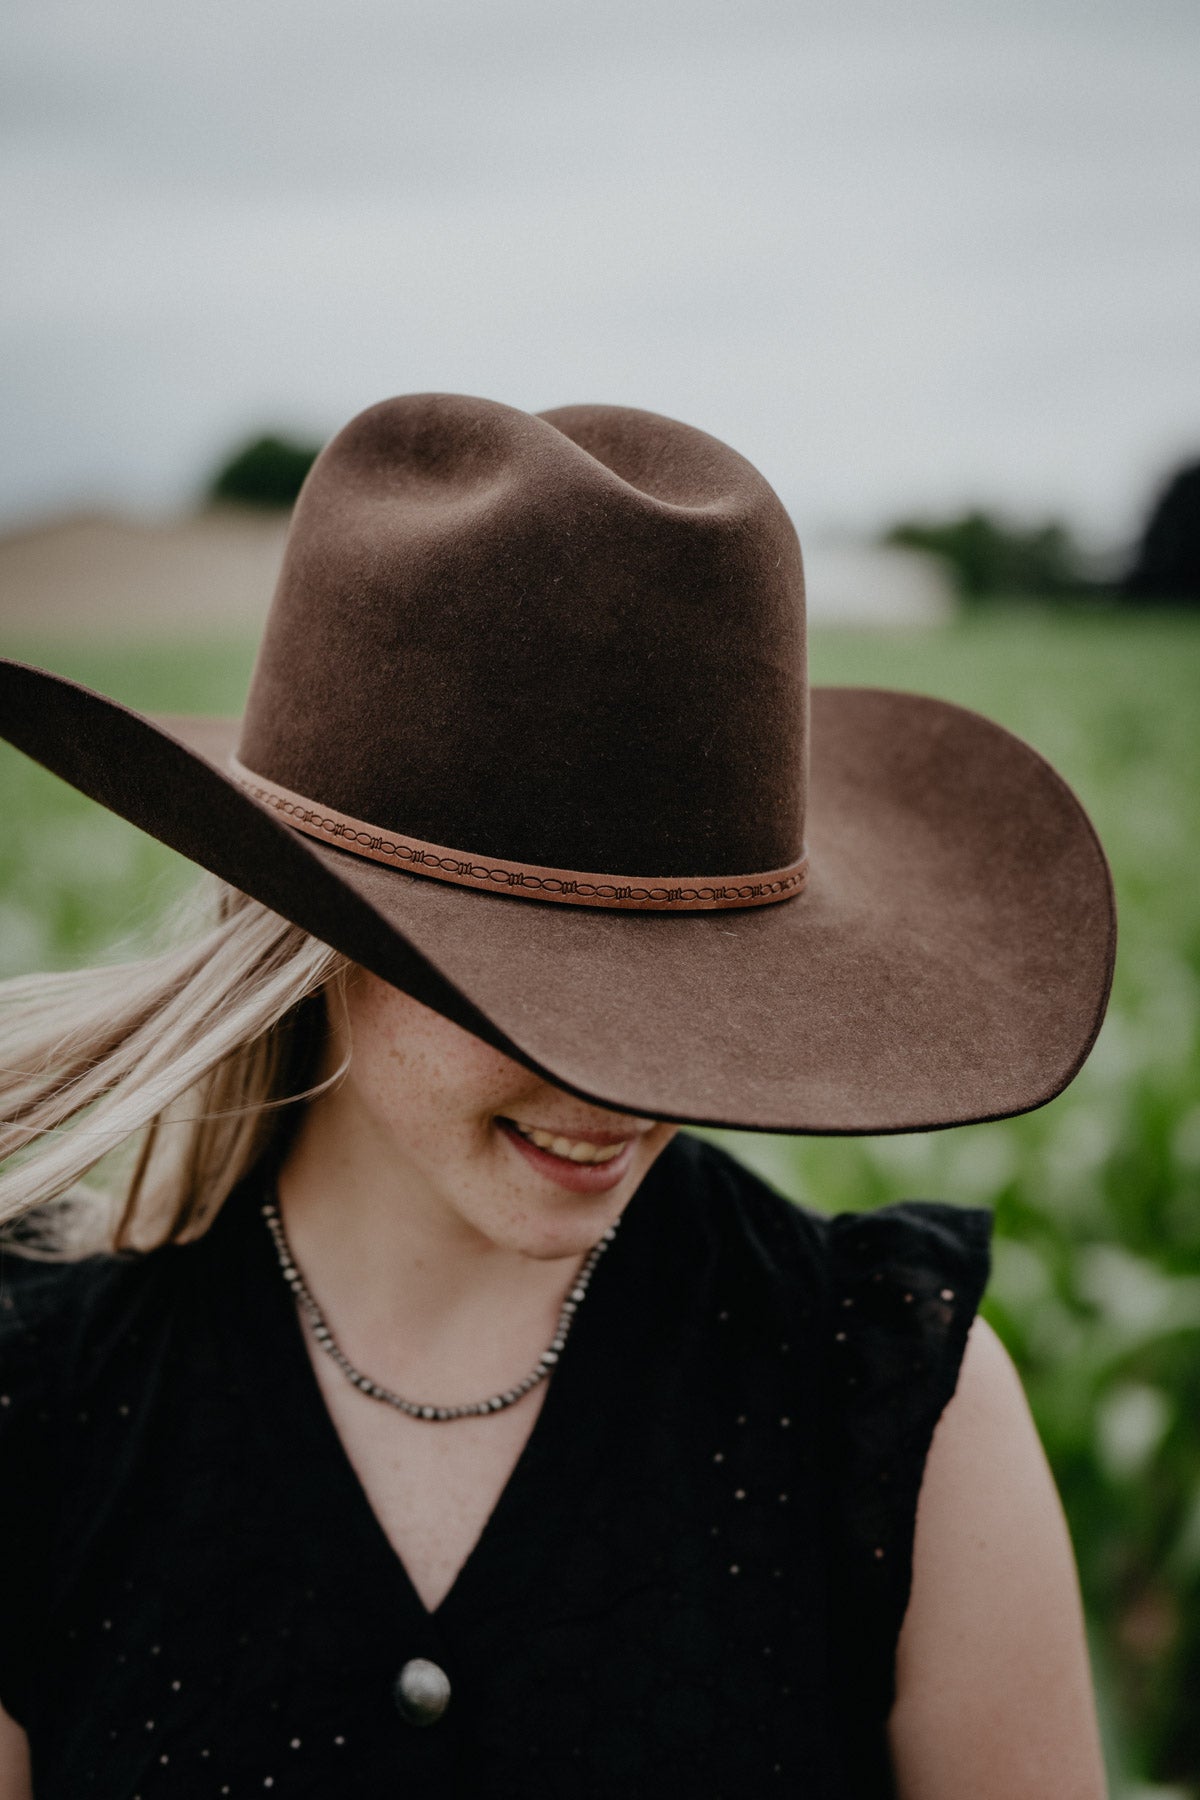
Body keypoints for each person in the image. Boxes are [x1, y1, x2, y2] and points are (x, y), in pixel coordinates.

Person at [0, 394, 1114, 1798]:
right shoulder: (38, 1398)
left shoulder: (895, 1405)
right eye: (533, 987)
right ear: (312, 925)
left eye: (701, 984)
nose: (623, 1087)